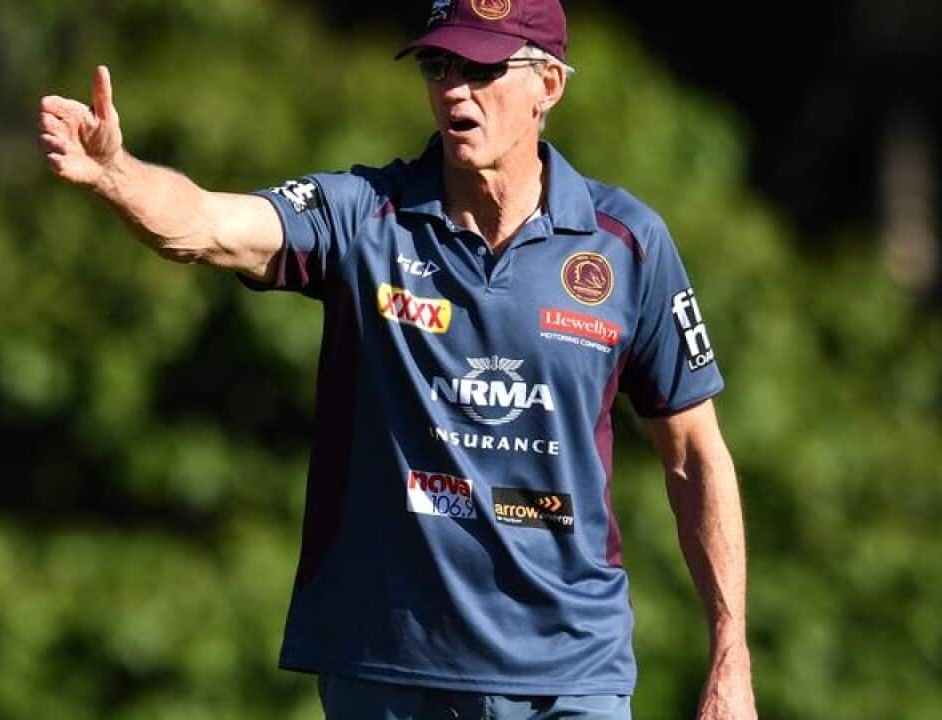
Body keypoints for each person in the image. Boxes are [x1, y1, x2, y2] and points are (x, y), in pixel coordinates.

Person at [38, 1, 755, 718]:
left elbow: (695, 457)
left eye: (482, 69)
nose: (453, 90)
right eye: (439, 66)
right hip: (391, 675)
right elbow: (204, 223)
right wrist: (115, 174)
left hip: (570, 676)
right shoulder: (363, 215)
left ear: (549, 86)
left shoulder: (626, 243)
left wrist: (730, 654)